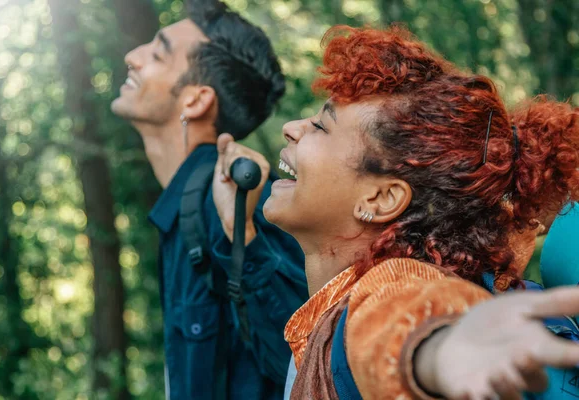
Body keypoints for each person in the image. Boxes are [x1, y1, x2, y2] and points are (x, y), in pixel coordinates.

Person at [215, 25, 579, 399]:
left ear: (382, 198)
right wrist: (239, 232)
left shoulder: (393, 291)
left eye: (321, 127)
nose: (292, 128)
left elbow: (398, 320)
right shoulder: (330, 316)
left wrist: (436, 351)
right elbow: (310, 365)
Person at [110, 1, 308, 399]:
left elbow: (307, 357)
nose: (132, 57)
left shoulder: (234, 202)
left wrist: (243, 235)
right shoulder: (184, 206)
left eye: (157, 52)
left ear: (195, 101)